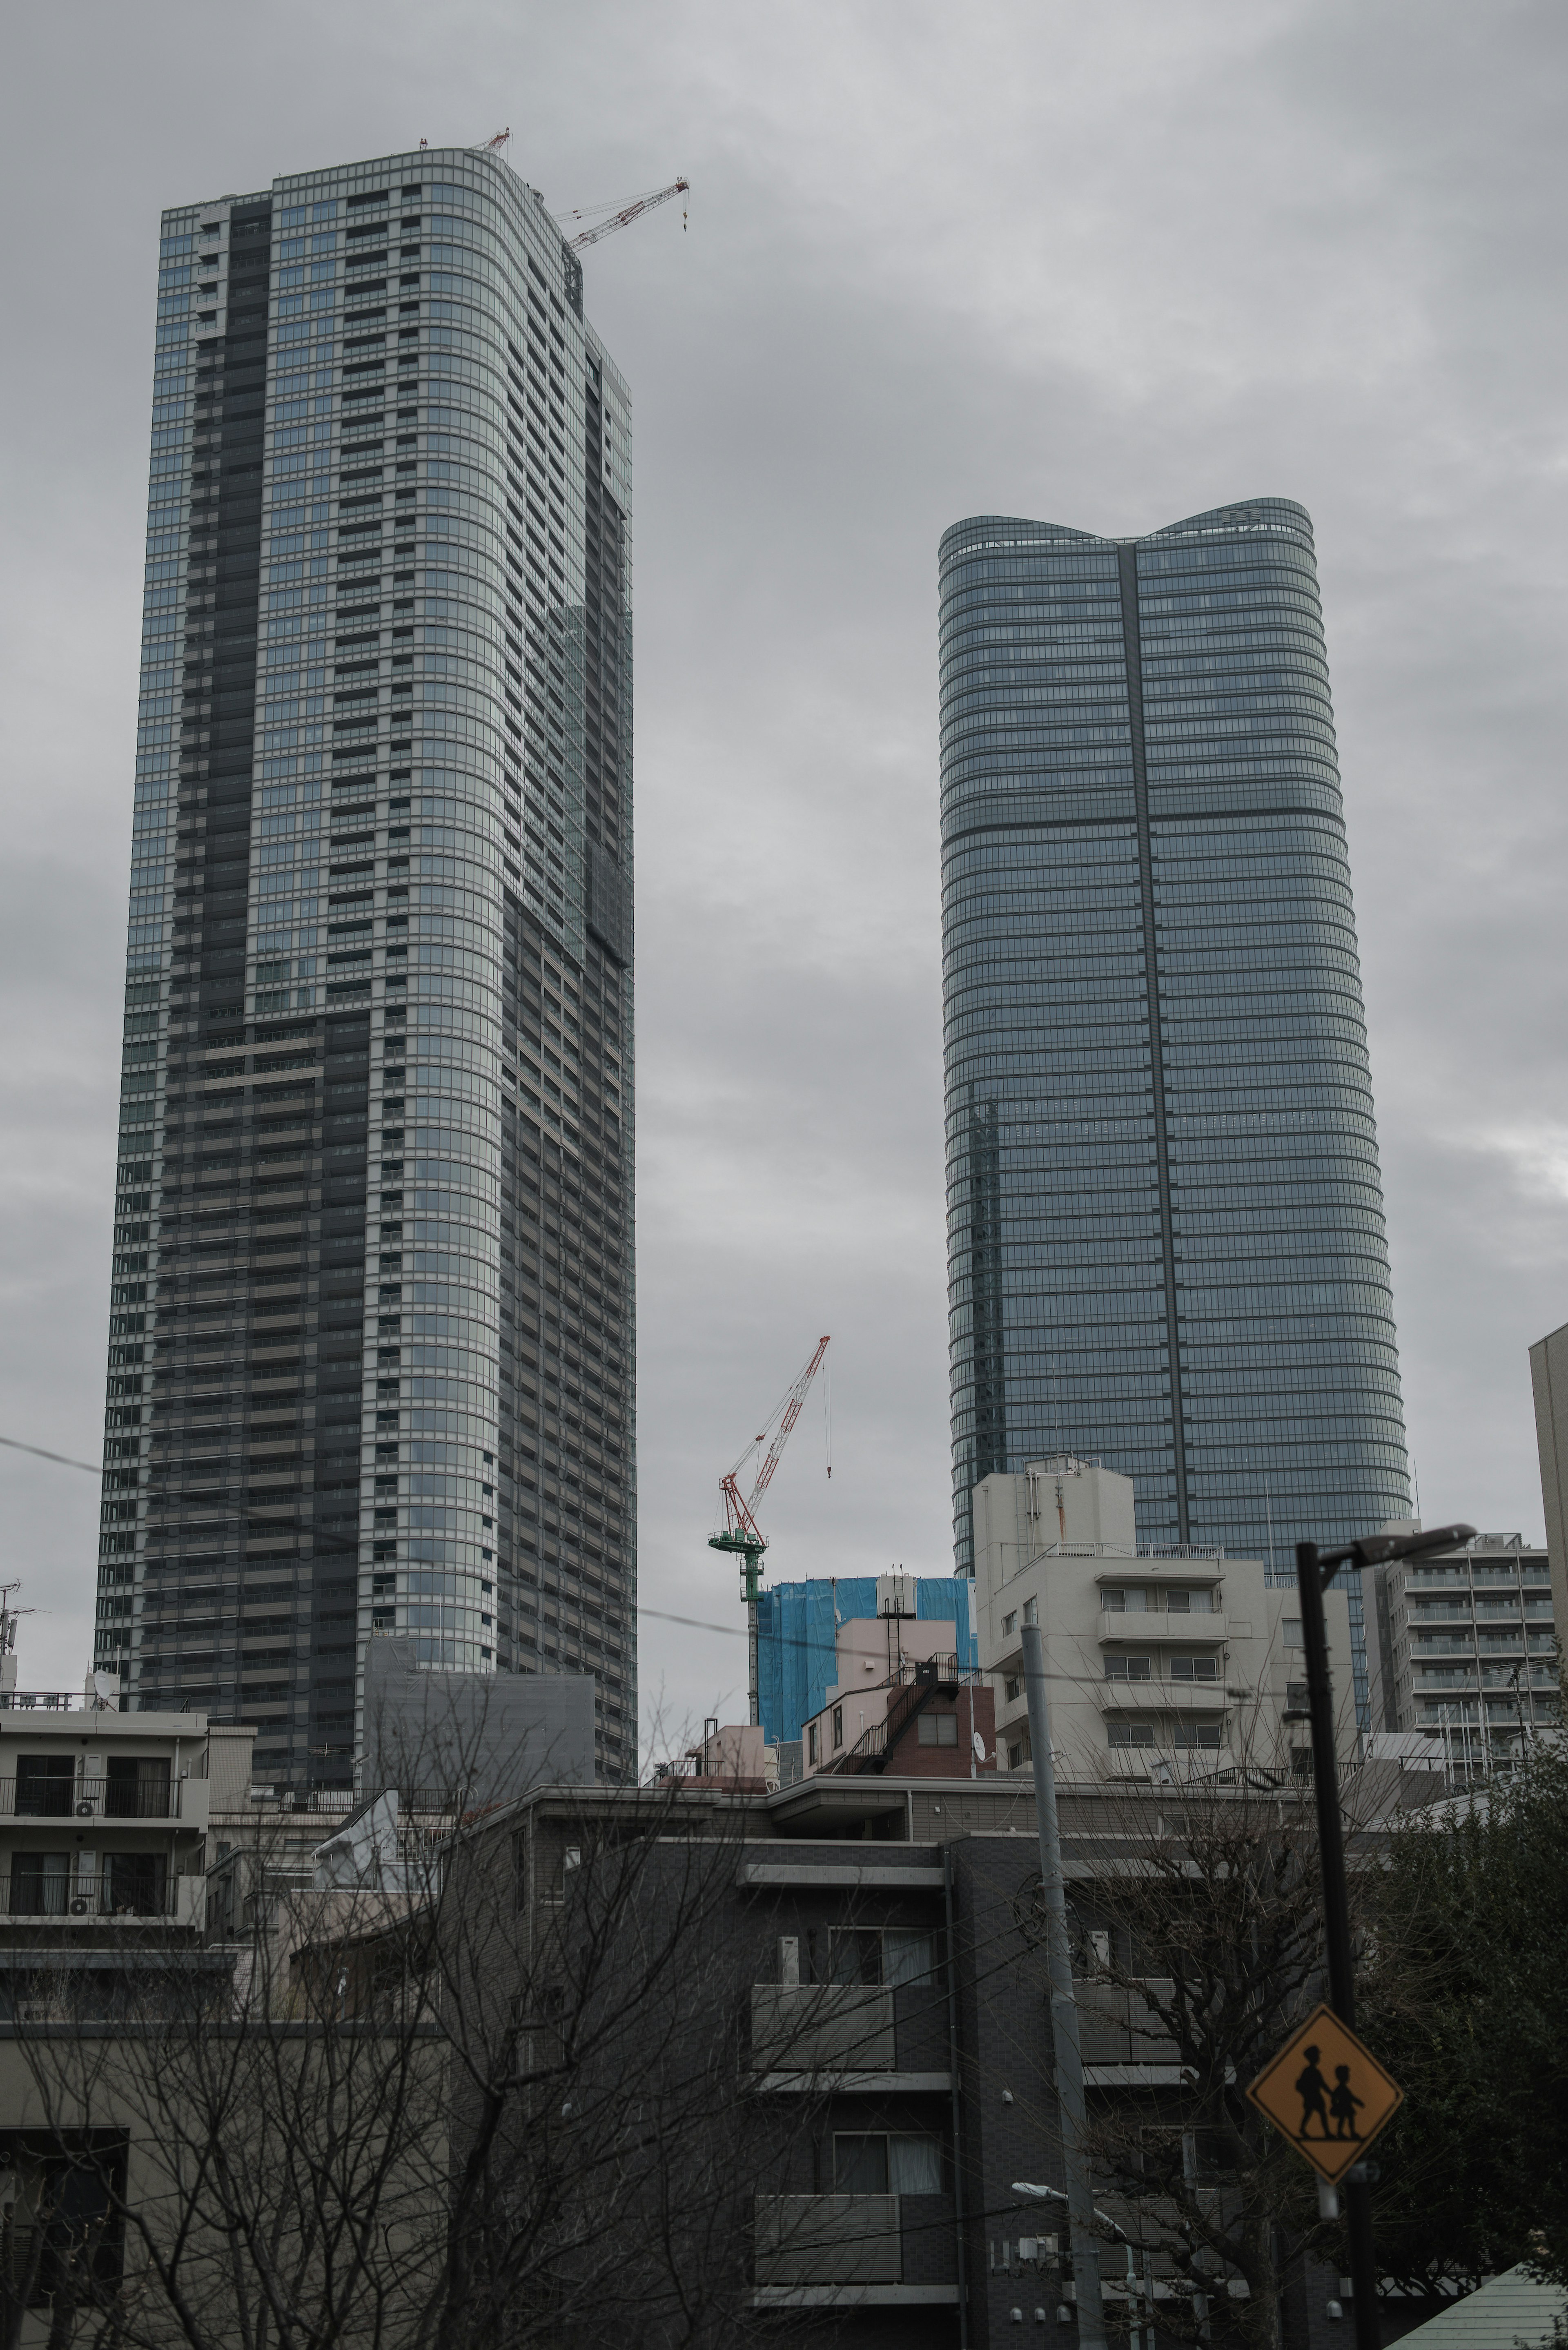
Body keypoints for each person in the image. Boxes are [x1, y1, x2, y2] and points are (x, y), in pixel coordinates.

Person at [1295, 2045, 1332, 2138]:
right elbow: (1323, 2085)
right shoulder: (1309, 2071)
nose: (1318, 2058)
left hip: (1315, 2096)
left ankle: (1326, 2132)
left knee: (1317, 2113)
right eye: (1317, 2056)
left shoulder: (1314, 2071)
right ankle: (1325, 2132)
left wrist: (1331, 2094)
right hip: (1312, 2096)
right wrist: (1331, 2094)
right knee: (1314, 2113)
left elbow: (1323, 2085)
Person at [1330, 2064, 1364, 2141]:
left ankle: (1351, 2133)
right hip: (1343, 2107)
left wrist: (1359, 2102)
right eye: (1346, 2075)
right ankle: (1341, 2133)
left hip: (1347, 2107)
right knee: (1343, 2119)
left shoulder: (1344, 2088)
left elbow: (1351, 2098)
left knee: (1349, 2119)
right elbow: (1334, 2098)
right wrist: (1335, 2106)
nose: (1348, 2076)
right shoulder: (1340, 2088)